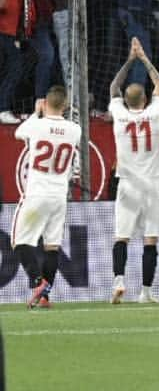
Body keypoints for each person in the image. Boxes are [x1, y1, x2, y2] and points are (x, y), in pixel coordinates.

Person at [109, 37, 159, 304]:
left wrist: (130, 60)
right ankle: (146, 291)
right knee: (150, 239)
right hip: (152, 184)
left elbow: (113, 88)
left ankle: (119, 280)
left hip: (128, 183)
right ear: (145, 98)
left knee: (122, 236)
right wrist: (143, 58)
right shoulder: (154, 113)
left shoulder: (119, 115)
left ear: (126, 100)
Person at [13, 85, 80, 308]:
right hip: (59, 196)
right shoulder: (74, 129)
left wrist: (36, 113)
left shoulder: (36, 125)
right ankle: (45, 297)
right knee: (52, 246)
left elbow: (17, 133)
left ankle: (36, 281)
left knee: (20, 241)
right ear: (66, 105)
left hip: (36, 194)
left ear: (45, 103)